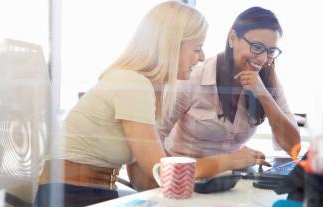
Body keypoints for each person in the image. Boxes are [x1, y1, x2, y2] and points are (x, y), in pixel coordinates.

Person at [35, 1, 224, 206]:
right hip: (72, 197)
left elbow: (143, 178)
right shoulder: (133, 84)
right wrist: (228, 161)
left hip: (87, 193)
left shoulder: (140, 85)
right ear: (171, 46)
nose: (202, 57)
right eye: (197, 48)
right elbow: (160, 172)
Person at [158, 7, 301, 173]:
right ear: (232, 38)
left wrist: (264, 95)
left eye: (270, 51)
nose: (263, 59)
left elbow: (294, 148)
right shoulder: (193, 78)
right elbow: (153, 139)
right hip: (187, 179)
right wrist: (173, 175)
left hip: (230, 182)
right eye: (256, 47)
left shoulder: (268, 80)